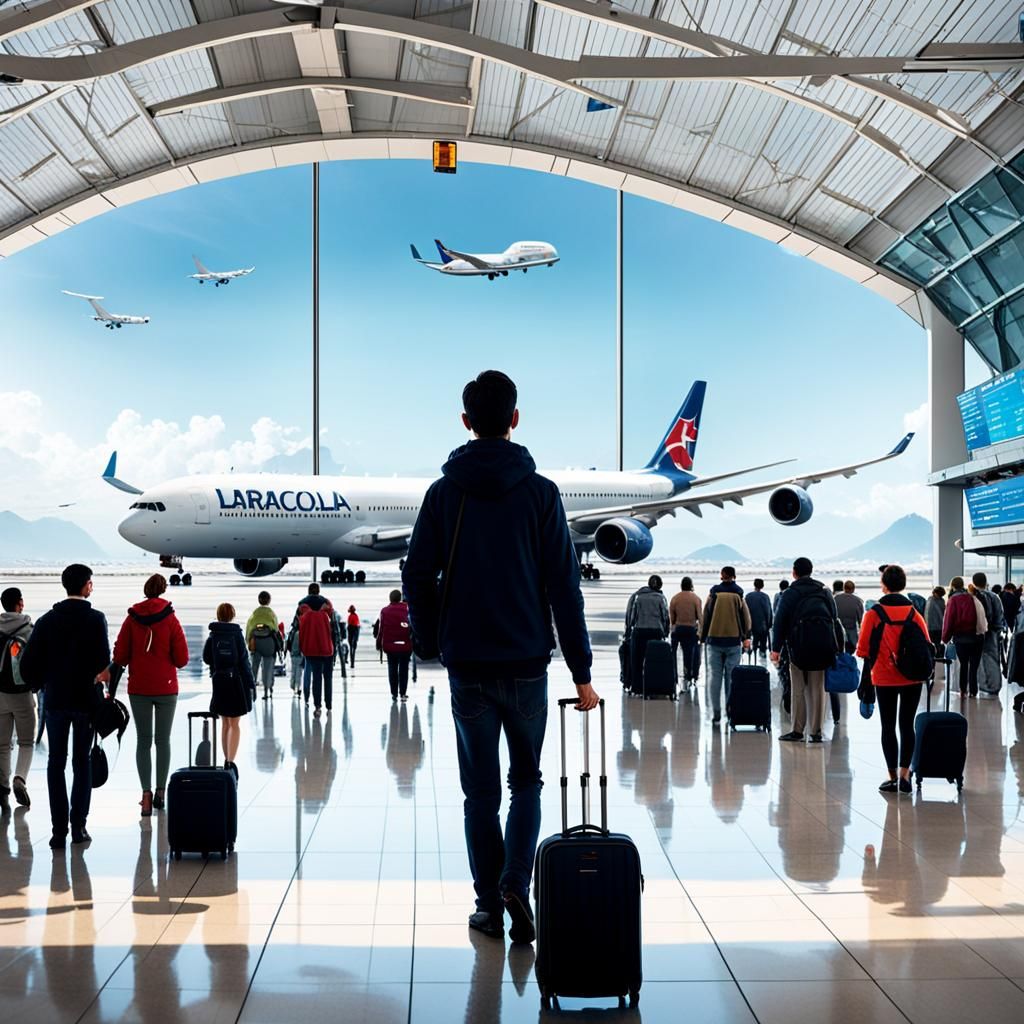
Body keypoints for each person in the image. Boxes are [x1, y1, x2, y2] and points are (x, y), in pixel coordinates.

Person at [403, 369, 597, 945]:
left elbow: (416, 574)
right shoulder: (541, 494)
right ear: (515, 419)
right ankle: (518, 879)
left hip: (468, 669)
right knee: (528, 784)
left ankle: (488, 904)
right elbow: (565, 585)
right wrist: (582, 673)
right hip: (526, 666)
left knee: (479, 794)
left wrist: (430, 640)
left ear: (466, 422)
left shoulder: (443, 494)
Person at [18, 564, 110, 848]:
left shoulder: (46, 621)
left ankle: (59, 831)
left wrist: (39, 684)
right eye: (90, 583)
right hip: (85, 701)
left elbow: (27, 663)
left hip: (55, 700)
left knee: (55, 763)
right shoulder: (96, 619)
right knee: (81, 763)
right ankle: (79, 827)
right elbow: (102, 659)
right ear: (85, 587)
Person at [112, 574, 188, 818]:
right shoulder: (171, 619)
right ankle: (160, 793)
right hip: (166, 687)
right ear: (164, 590)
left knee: (143, 741)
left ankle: (144, 796)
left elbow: (120, 656)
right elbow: (183, 659)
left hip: (139, 688)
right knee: (162, 740)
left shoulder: (131, 618)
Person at [856, 564, 931, 794]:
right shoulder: (914, 613)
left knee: (888, 727)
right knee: (907, 725)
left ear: (884, 585)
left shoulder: (874, 614)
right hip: (912, 679)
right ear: (903, 584)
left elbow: (862, 649)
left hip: (884, 677)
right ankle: (905, 775)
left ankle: (891, 777)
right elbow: (926, 644)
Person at [772, 557, 841, 745]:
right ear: (811, 571)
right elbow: (834, 620)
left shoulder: (789, 593)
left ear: (794, 572)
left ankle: (797, 730)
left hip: (797, 647)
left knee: (798, 689)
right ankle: (816, 732)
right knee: (818, 689)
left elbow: (779, 622)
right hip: (821, 647)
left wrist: (775, 649)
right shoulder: (824, 592)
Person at [202, 603, 255, 779]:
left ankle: (226, 759)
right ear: (232, 615)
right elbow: (244, 661)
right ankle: (231, 761)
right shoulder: (236, 635)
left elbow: (207, 658)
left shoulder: (213, 635)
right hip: (236, 681)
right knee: (235, 724)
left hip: (219, 681)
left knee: (225, 723)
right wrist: (250, 683)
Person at [0, 587, 36, 814]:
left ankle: (2, 787)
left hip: (0, 694)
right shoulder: (30, 630)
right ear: (20, 603)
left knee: (3, 745)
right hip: (22, 693)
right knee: (26, 742)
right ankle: (20, 778)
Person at [700, 566, 751, 726]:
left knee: (715, 677)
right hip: (733, 641)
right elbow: (746, 619)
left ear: (722, 576)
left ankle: (716, 712)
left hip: (714, 641)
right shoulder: (739, 594)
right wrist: (746, 637)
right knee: (731, 678)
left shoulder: (714, 593)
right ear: (734, 576)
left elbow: (705, 615)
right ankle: (730, 710)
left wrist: (703, 636)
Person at [296, 584, 337, 718]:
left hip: (310, 647)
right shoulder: (327, 605)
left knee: (316, 677)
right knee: (328, 677)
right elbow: (335, 627)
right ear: (319, 591)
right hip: (327, 647)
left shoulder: (302, 605)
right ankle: (329, 705)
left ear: (308, 591)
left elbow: (296, 626)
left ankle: (317, 706)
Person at [942, 577, 986, 697]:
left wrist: (945, 638)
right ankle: (973, 690)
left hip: (961, 638)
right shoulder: (973, 597)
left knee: (964, 665)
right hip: (978, 637)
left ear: (953, 586)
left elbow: (949, 620)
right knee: (974, 666)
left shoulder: (953, 600)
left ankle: (963, 690)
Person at [625, 575, 669, 693]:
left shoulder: (638, 596)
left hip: (639, 631)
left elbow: (633, 617)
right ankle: (653, 686)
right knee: (655, 661)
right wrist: (665, 631)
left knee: (637, 661)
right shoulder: (661, 598)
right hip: (656, 631)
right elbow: (665, 616)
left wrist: (629, 630)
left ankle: (637, 687)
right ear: (660, 585)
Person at [971, 572, 1004, 694]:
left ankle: (982, 685)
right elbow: (1000, 616)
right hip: (992, 633)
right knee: (993, 659)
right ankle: (994, 686)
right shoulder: (994, 597)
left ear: (974, 583)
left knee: (977, 660)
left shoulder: (972, 597)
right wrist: (997, 631)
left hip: (976, 633)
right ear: (985, 582)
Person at [377, 590, 413, 701]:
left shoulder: (385, 611)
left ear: (390, 599)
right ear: (400, 598)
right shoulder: (407, 609)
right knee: (404, 670)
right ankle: (403, 694)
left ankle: (394, 693)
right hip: (405, 646)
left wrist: (378, 643)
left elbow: (381, 629)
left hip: (390, 646)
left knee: (392, 669)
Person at [246, 591, 281, 701]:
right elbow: (276, 629)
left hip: (256, 642)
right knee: (268, 667)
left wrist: (248, 643)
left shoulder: (254, 613)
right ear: (269, 600)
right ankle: (267, 690)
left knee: (254, 667)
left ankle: (251, 691)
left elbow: (249, 629)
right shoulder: (271, 613)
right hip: (269, 642)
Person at [669, 577, 702, 684]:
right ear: (691, 585)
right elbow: (700, 617)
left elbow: (672, 619)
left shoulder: (675, 598)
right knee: (689, 654)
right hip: (691, 629)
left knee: (673, 653)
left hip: (678, 629)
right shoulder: (696, 598)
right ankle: (689, 676)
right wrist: (701, 632)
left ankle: (673, 676)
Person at [745, 579, 773, 659]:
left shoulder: (748, 596)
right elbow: (768, 611)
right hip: (762, 625)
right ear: (762, 586)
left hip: (751, 625)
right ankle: (762, 656)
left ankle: (752, 655)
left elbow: (745, 611)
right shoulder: (765, 597)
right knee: (763, 643)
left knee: (753, 641)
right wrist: (769, 624)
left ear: (754, 585)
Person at [834, 581, 864, 654]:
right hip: (851, 630)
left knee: (838, 652)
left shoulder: (835, 598)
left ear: (844, 588)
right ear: (853, 589)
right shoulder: (857, 601)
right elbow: (860, 619)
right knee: (850, 651)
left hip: (838, 629)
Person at [284, 619, 303, 696]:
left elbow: (287, 643)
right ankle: (297, 688)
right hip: (299, 655)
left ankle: (292, 685)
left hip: (293, 655)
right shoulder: (301, 634)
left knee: (293, 671)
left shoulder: (292, 633)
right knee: (299, 672)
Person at [346, 606, 360, 670]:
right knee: (353, 649)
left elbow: (349, 625)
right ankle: (352, 663)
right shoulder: (356, 616)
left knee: (351, 648)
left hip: (351, 632)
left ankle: (352, 663)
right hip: (355, 632)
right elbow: (357, 626)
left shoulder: (350, 616)